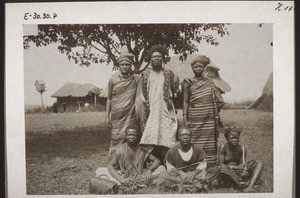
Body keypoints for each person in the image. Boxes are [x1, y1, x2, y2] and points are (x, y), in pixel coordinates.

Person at [136, 45, 179, 163]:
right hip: (151, 108)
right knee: (151, 132)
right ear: (150, 59)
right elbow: (142, 95)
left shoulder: (169, 74)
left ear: (163, 59)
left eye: (158, 57)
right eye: (154, 57)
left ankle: (168, 161)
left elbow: (175, 92)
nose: (156, 59)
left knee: (167, 133)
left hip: (166, 108)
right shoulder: (145, 75)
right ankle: (153, 161)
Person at [182, 55, 225, 167]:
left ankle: (210, 168)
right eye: (195, 66)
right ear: (192, 68)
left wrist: (213, 110)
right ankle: (195, 167)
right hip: (195, 118)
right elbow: (185, 102)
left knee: (210, 144)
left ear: (204, 68)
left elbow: (218, 100)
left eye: (200, 66)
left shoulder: (210, 82)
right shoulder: (188, 82)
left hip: (209, 119)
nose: (198, 68)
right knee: (194, 142)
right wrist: (185, 119)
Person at [95, 125, 165, 189]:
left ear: (138, 136)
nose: (131, 137)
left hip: (140, 176)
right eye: (129, 135)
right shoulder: (120, 149)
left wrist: (149, 170)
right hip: (124, 177)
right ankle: (129, 183)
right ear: (125, 136)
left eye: (133, 135)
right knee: (100, 170)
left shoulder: (142, 149)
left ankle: (121, 184)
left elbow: (157, 161)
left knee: (162, 168)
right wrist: (120, 179)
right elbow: (110, 166)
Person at [155, 126, 219, 193]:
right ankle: (195, 185)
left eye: (188, 135)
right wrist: (181, 173)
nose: (185, 137)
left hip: (195, 174)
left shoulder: (198, 149)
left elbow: (202, 165)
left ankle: (183, 185)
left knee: (215, 170)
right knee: (163, 175)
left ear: (191, 137)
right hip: (179, 176)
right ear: (179, 137)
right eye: (183, 135)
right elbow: (170, 167)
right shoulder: (172, 151)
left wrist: (193, 174)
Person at [106, 50, 139, 154]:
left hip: (130, 114)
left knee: (129, 136)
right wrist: (107, 115)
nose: (124, 66)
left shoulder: (135, 78)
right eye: (122, 64)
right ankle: (114, 158)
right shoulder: (113, 80)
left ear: (131, 66)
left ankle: (128, 158)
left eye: (127, 64)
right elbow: (109, 98)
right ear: (118, 65)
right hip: (116, 114)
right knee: (116, 136)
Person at [218, 126, 264, 192]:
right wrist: (236, 167)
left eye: (236, 138)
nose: (234, 140)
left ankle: (250, 186)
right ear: (226, 138)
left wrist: (244, 170)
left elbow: (242, 164)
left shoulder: (242, 149)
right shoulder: (223, 148)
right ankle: (242, 184)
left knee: (259, 163)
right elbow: (220, 166)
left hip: (237, 172)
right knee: (222, 168)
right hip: (227, 173)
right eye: (232, 138)